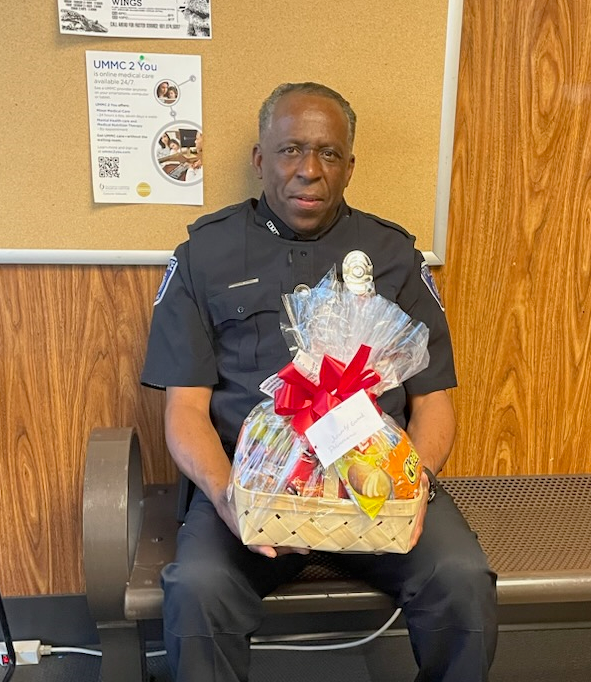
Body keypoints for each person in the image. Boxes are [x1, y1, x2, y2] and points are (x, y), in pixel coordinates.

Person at [141, 82, 498, 682]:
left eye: (329, 153)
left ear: (350, 166)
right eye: (290, 150)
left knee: (461, 580)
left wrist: (417, 487)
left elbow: (432, 402)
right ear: (260, 159)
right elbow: (186, 412)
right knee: (198, 590)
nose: (309, 170)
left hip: (376, 480)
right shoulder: (204, 257)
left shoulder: (392, 256)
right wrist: (229, 496)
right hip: (253, 483)